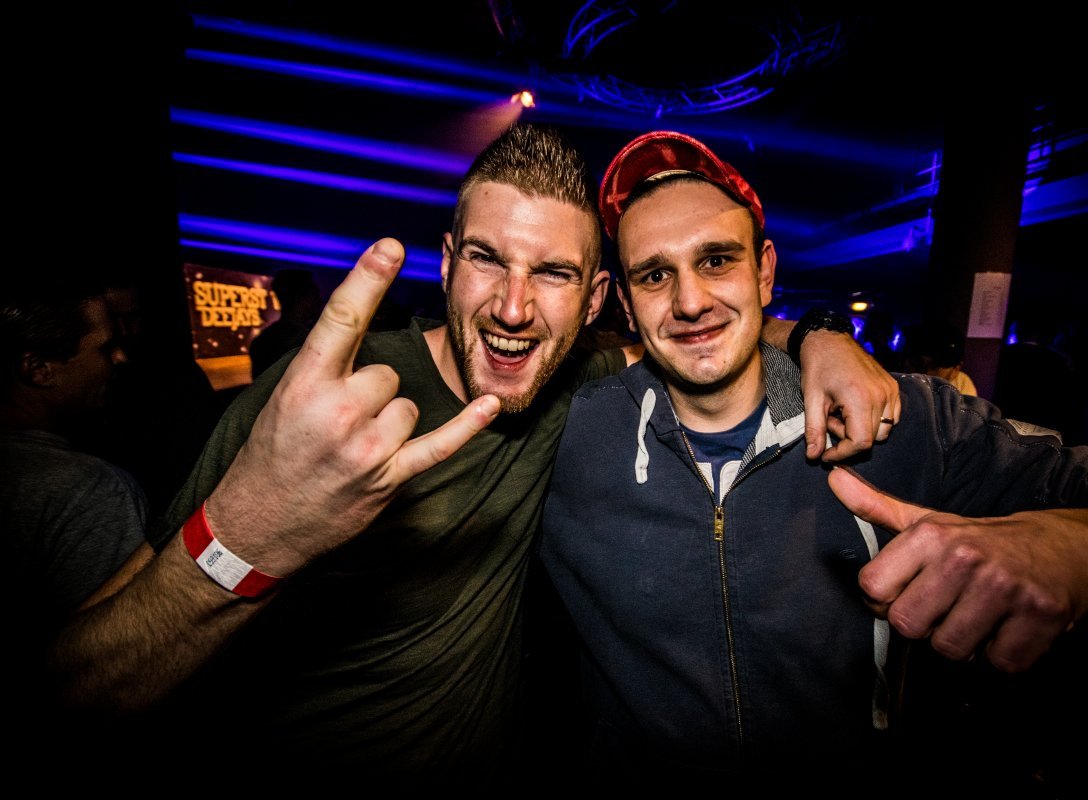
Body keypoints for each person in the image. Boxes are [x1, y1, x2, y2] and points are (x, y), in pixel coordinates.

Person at [45, 123, 899, 787]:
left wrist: (822, 338)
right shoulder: (326, 397)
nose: (514, 309)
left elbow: (704, 325)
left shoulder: (581, 379)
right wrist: (249, 539)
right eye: (487, 259)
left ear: (596, 301)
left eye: (553, 273)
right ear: (449, 264)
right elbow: (80, 688)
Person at [537, 130, 1088, 793]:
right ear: (626, 303)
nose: (689, 301)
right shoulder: (567, 435)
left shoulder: (906, 419)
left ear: (763, 271)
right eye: (655, 275)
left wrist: (1078, 543)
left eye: (716, 260)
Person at [1, 276, 147, 758]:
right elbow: (124, 667)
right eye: (104, 348)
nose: (120, 358)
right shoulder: (87, 490)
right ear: (39, 369)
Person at [249, 267, 324, 378]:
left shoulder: (261, 341)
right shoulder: (308, 342)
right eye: (315, 295)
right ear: (300, 299)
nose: (320, 300)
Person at [901, 319, 978, 396]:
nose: (923, 374)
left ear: (956, 369)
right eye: (917, 363)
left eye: (934, 367)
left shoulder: (962, 384)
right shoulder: (897, 378)